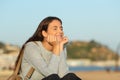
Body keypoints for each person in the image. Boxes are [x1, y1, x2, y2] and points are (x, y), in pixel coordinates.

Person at [15, 16, 82, 80]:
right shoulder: (31, 47)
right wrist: (56, 47)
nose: (60, 31)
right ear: (44, 33)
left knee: (70, 76)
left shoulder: (61, 46)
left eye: (61, 28)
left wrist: (60, 47)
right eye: (55, 29)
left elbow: (63, 74)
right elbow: (50, 74)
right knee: (53, 77)